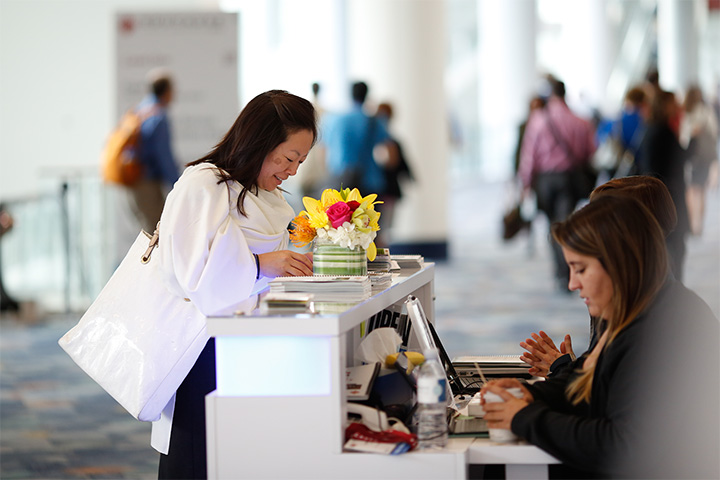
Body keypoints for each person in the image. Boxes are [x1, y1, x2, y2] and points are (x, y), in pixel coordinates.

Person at [481, 195, 718, 478]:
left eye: (580, 269)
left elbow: (623, 446)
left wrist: (525, 417)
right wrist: (528, 394)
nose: (572, 283)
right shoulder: (630, 312)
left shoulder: (662, 330)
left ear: (619, 263)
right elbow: (587, 385)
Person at [152, 90, 316, 479]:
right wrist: (262, 265)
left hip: (249, 344)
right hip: (203, 349)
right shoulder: (203, 184)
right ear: (261, 140)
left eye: (300, 161)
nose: (292, 171)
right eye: (289, 158)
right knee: (200, 458)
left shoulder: (265, 193)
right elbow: (194, 277)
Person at [519, 175, 678, 378]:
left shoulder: (653, 315)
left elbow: (607, 403)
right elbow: (604, 383)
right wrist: (567, 369)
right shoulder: (630, 291)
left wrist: (563, 371)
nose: (573, 284)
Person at [518, 78, 596, 292]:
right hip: (569, 179)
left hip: (545, 180)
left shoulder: (538, 120)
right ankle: (566, 271)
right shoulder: (580, 121)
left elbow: (529, 155)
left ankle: (560, 272)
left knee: (553, 226)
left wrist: (524, 182)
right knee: (565, 225)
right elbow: (591, 152)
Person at [638, 89, 690, 281]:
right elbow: (655, 168)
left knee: (673, 248)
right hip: (667, 198)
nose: (677, 106)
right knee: (673, 248)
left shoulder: (656, 128)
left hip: (666, 195)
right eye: (673, 102)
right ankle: (674, 293)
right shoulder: (660, 131)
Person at [128, 70, 181, 233]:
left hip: (135, 180)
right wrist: (178, 184)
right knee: (156, 233)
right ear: (167, 91)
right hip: (147, 182)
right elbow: (163, 155)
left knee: (150, 230)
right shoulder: (158, 116)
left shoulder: (141, 109)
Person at [323, 81, 391, 196]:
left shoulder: (335, 120)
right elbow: (391, 153)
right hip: (368, 181)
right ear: (366, 95)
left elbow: (324, 150)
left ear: (350, 95)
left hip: (340, 179)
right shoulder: (374, 121)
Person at [680, 85, 719, 236]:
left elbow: (683, 136)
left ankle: (693, 223)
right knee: (699, 190)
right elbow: (714, 131)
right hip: (702, 156)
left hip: (693, 156)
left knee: (693, 189)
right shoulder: (705, 111)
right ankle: (698, 225)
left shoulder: (687, 112)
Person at [373, 102, 414, 247]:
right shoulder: (389, 140)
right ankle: (381, 259)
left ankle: (379, 259)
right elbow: (396, 162)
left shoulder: (379, 138)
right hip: (387, 190)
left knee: (378, 230)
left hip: (378, 189)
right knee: (383, 230)